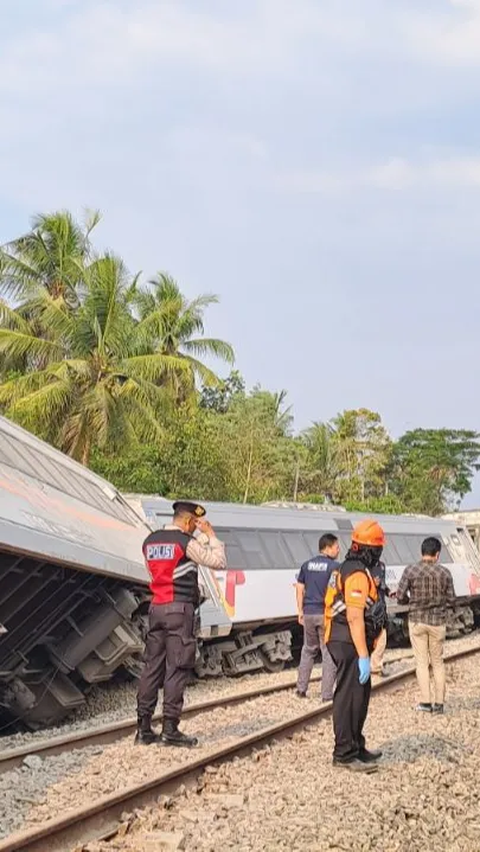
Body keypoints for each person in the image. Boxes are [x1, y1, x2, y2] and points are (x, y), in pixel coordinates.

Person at [135, 501, 227, 746]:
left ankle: (143, 728)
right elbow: (218, 562)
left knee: (152, 667)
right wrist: (211, 536)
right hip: (180, 610)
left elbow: (154, 572)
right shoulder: (185, 542)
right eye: (194, 524)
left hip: (156, 608)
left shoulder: (150, 541)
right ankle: (170, 729)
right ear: (188, 522)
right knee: (176, 668)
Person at [324, 519, 386, 773]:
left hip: (349, 639)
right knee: (349, 696)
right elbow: (354, 616)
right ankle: (344, 753)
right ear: (371, 549)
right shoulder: (357, 574)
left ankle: (356, 745)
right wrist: (363, 654)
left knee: (359, 695)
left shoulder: (350, 567)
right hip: (347, 639)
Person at [396, 536, 455, 714]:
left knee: (421, 662)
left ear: (422, 552)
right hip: (438, 623)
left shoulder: (410, 570)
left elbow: (400, 597)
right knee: (437, 662)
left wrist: (410, 599)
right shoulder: (445, 573)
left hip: (417, 621)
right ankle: (439, 704)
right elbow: (451, 600)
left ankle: (425, 702)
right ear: (437, 554)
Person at [296, 533, 340, 701]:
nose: (338, 550)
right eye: (336, 547)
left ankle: (301, 689)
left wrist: (300, 610)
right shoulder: (334, 567)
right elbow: (336, 591)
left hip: (308, 613)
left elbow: (299, 588)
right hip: (325, 614)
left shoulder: (306, 565)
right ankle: (326, 694)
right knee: (327, 651)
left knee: (308, 649)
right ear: (328, 547)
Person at [370, 560, 390, 677]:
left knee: (380, 637)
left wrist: (388, 592)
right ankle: (375, 666)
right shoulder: (366, 565)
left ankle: (374, 665)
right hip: (371, 607)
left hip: (379, 606)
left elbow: (382, 584)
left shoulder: (381, 565)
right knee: (379, 637)